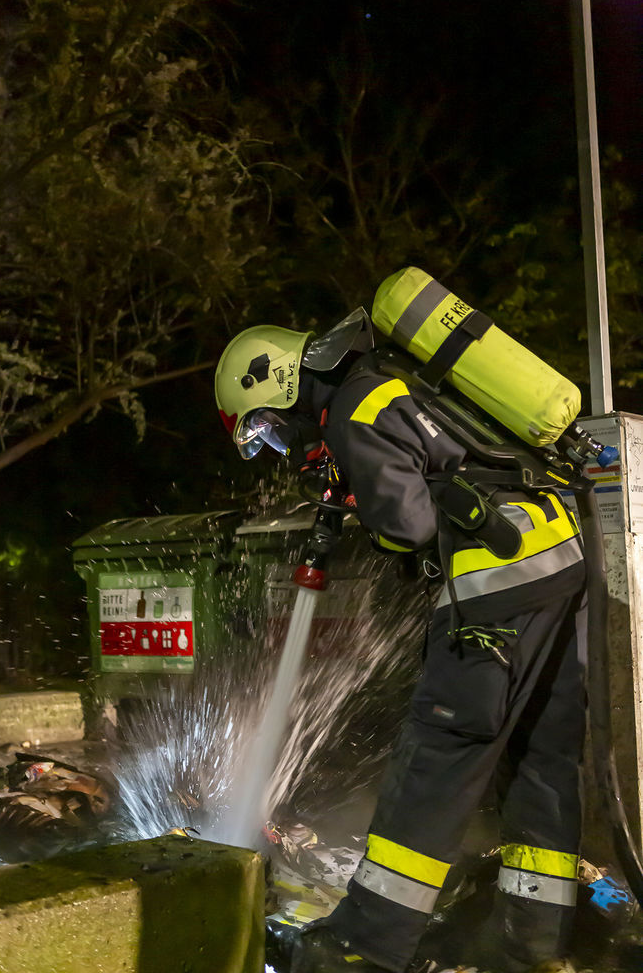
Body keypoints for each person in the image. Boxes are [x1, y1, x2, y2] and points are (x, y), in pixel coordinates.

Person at [214, 273, 586, 973]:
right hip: (557, 559)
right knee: (541, 756)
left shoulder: (354, 408)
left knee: (439, 753)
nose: (280, 445)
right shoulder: (388, 381)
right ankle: (531, 942)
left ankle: (365, 944)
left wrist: (365, 503)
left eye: (267, 427)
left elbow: (408, 526)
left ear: (280, 380)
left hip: (496, 580)